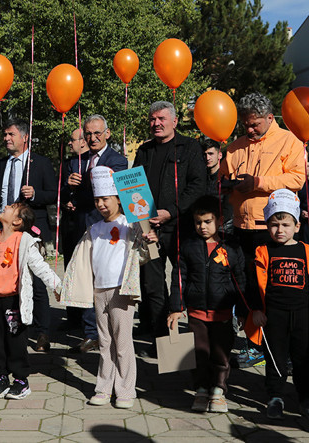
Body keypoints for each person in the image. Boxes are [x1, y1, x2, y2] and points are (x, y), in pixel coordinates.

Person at [220, 92, 305, 367]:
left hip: (273, 230)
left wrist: (257, 182)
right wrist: (227, 184)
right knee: (246, 291)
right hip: (240, 228)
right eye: (246, 124)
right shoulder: (235, 147)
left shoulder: (289, 141)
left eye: (255, 123)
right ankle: (254, 345)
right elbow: (223, 177)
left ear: (270, 118)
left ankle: (283, 351)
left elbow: (297, 178)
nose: (250, 129)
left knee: (273, 292)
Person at [61, 167, 156, 409]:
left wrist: (149, 239)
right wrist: (66, 286)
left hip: (122, 291)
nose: (101, 204)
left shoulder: (131, 225)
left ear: (118, 198)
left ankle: (125, 389)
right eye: (97, 200)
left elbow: (148, 254)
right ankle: (104, 387)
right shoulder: (93, 229)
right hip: (99, 291)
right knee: (104, 342)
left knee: (123, 343)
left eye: (105, 199)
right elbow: (80, 262)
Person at [245, 189, 309, 421]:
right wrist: (257, 310)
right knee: (275, 358)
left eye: (285, 225)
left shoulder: (307, 252)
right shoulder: (264, 252)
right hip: (274, 315)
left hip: (301, 315)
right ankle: (275, 396)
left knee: (302, 359)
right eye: (274, 225)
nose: (279, 230)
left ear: (297, 226)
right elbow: (253, 284)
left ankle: (306, 397)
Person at [133, 101, 206, 353]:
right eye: (152, 119)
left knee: (186, 282)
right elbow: (132, 189)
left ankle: (196, 341)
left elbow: (197, 186)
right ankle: (164, 345)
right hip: (149, 231)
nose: (156, 124)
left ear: (174, 121)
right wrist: (141, 221)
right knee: (152, 286)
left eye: (162, 119)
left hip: (181, 228)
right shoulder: (143, 151)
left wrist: (171, 212)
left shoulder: (190, 147)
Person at [0, 202, 62, 400]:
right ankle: (0, 376)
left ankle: (21, 380)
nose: (5, 206)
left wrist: (58, 286)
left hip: (14, 301)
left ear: (17, 221)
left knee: (16, 341)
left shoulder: (24, 241)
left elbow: (40, 267)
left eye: (11, 207)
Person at [167, 195, 246, 414]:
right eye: (198, 222)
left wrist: (242, 309)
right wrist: (176, 308)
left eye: (207, 221)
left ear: (219, 221)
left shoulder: (230, 247)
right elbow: (179, 277)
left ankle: (218, 392)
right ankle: (201, 390)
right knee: (199, 353)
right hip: (196, 313)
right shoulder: (188, 245)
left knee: (221, 354)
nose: (202, 227)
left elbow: (240, 279)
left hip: (222, 314)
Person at [0, 119, 58, 353]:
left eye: (11, 134)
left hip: (30, 231)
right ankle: (13, 327)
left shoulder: (41, 163)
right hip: (4, 232)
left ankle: (42, 332)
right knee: (8, 281)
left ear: (24, 137)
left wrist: (36, 194)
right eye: (5, 134)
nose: (6, 138)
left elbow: (54, 194)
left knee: (36, 282)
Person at [61, 115, 128, 353]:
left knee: (107, 281)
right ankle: (91, 333)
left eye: (97, 133)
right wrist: (68, 186)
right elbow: (67, 193)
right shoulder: (78, 160)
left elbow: (112, 191)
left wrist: (87, 184)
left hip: (109, 229)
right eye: (88, 134)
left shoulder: (117, 160)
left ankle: (110, 329)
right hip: (83, 226)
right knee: (87, 278)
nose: (92, 138)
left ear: (107, 133)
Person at [59, 128, 88, 259]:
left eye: (72, 140)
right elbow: (58, 191)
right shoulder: (66, 164)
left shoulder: (95, 160)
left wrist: (78, 202)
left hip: (88, 222)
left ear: (83, 141)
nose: (69, 143)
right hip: (69, 224)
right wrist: (66, 200)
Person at [202, 139, 233, 233]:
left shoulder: (227, 178)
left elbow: (229, 208)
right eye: (205, 154)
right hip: (203, 227)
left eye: (211, 154)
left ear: (219, 155)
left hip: (223, 229)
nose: (207, 158)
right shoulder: (201, 177)